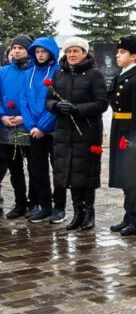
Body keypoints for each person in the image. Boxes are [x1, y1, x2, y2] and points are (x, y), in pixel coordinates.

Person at [45, 36, 109, 231]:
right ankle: (77, 212)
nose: (72, 54)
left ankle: (89, 212)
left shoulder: (94, 74)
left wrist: (78, 109)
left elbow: (102, 103)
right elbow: (48, 100)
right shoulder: (59, 73)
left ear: (84, 53)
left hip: (86, 131)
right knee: (69, 172)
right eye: (69, 51)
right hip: (64, 131)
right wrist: (57, 106)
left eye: (76, 51)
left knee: (85, 173)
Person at [107, 36, 136, 236]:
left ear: (133, 56)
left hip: (131, 130)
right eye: (118, 51)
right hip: (119, 128)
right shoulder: (121, 75)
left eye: (122, 52)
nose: (117, 55)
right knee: (124, 175)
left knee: (134, 177)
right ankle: (128, 216)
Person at [22, 37, 64, 224]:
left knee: (58, 170)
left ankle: (59, 207)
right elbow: (23, 100)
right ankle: (45, 205)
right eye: (37, 52)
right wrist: (31, 125)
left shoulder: (58, 72)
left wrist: (42, 126)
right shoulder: (29, 73)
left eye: (43, 52)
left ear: (51, 53)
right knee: (37, 169)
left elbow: (58, 101)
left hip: (53, 129)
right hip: (34, 130)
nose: (40, 55)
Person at [0, 35, 32, 219]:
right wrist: (2, 115)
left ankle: (35, 202)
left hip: (29, 125)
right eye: (14, 47)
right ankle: (20, 203)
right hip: (7, 125)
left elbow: (38, 99)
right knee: (15, 168)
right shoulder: (3, 72)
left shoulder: (34, 71)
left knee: (34, 168)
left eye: (21, 48)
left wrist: (24, 118)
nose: (17, 51)